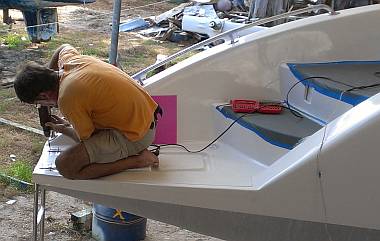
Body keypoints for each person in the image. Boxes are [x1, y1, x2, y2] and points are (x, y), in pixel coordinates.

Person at [14, 44, 160, 179]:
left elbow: (86, 139)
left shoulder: (67, 97)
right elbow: (63, 47)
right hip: (142, 120)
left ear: (44, 95)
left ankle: (138, 160)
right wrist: (45, 74)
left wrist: (64, 129)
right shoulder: (71, 61)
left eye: (40, 103)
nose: (46, 106)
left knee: (66, 166)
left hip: (136, 136)